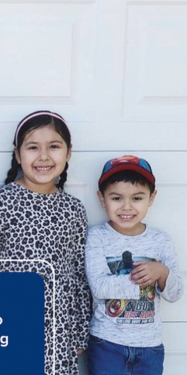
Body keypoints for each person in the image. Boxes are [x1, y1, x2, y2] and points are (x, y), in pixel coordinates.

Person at [0, 111, 90, 375]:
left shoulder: (73, 209)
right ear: (18, 155)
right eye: (33, 147)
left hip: (59, 330)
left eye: (54, 147)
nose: (44, 156)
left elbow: (79, 272)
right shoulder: (1, 201)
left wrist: (80, 331)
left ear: (68, 153)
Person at [85, 155, 183, 375]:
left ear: (151, 197)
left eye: (137, 198)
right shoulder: (96, 237)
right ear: (102, 199)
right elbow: (99, 288)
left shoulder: (161, 240)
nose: (126, 207)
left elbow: (175, 293)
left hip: (150, 347)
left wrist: (162, 273)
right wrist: (141, 280)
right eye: (117, 198)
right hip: (106, 344)